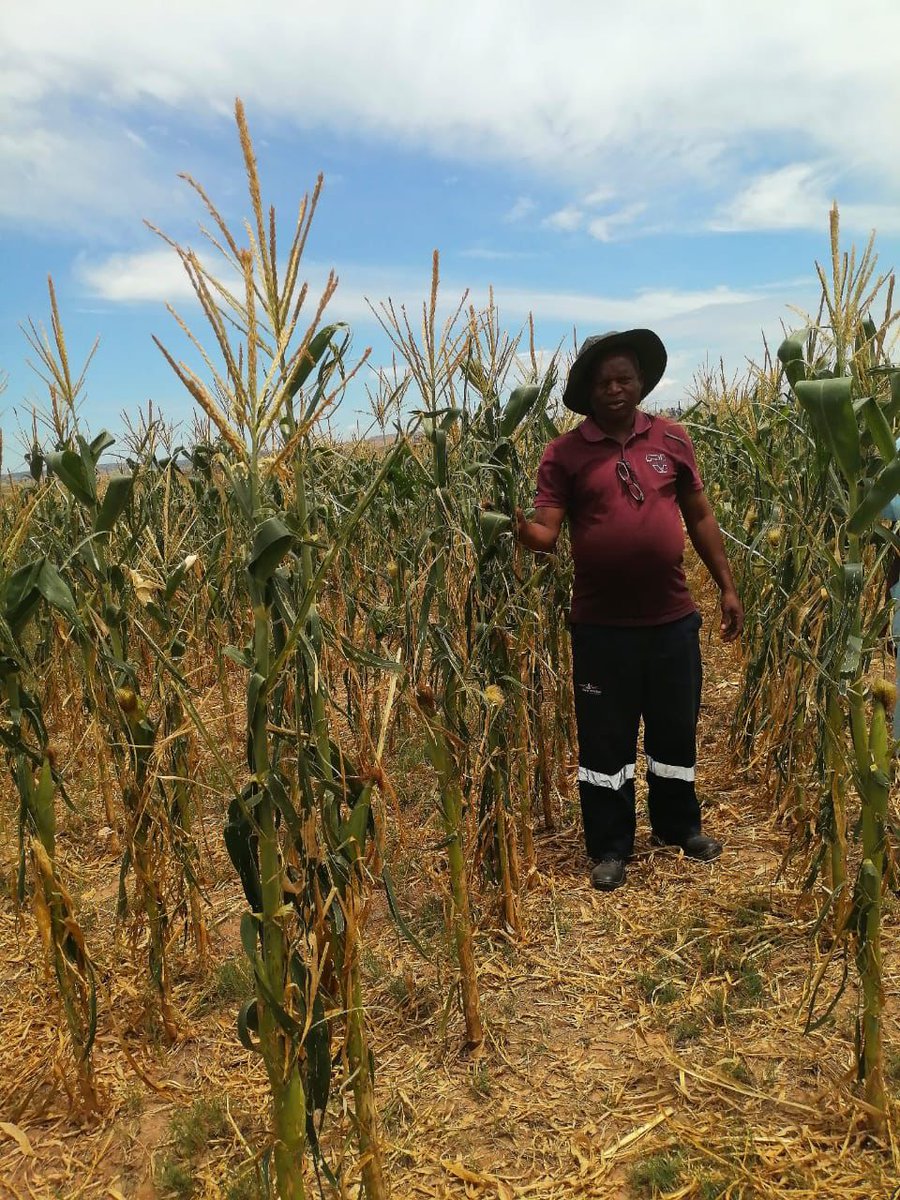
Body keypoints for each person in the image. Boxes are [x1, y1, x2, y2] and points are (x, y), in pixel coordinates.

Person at [516, 329, 744, 890]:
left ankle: (678, 826)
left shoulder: (671, 439)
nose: (614, 389)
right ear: (587, 391)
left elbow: (701, 517)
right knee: (605, 743)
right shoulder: (565, 454)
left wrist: (727, 586)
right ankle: (611, 847)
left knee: (674, 730)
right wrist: (510, 524)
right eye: (603, 381)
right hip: (601, 628)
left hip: (672, 620)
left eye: (624, 379)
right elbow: (545, 532)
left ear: (641, 382)